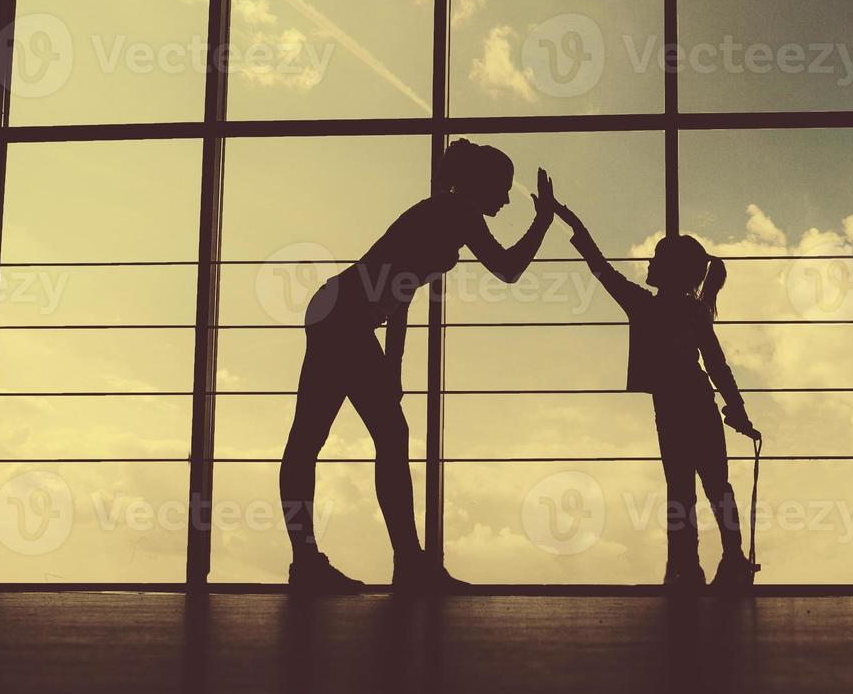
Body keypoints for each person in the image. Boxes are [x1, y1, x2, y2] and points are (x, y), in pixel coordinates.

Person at [280, 139, 556, 592]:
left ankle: (315, 562)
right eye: (503, 188)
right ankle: (405, 564)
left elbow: (400, 292)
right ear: (479, 183)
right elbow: (507, 268)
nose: (507, 199)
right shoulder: (458, 213)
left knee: (312, 439)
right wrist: (543, 221)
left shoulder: (441, 211)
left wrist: (393, 366)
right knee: (374, 436)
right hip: (344, 316)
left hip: (337, 310)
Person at [552, 200, 761, 592]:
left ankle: (689, 568)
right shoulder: (694, 312)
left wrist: (569, 220)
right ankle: (732, 559)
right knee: (718, 487)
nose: (648, 263)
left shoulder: (644, 305)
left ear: (670, 270)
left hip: (671, 411)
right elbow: (717, 367)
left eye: (655, 259)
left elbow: (599, 267)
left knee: (681, 492)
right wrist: (738, 410)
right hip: (699, 406)